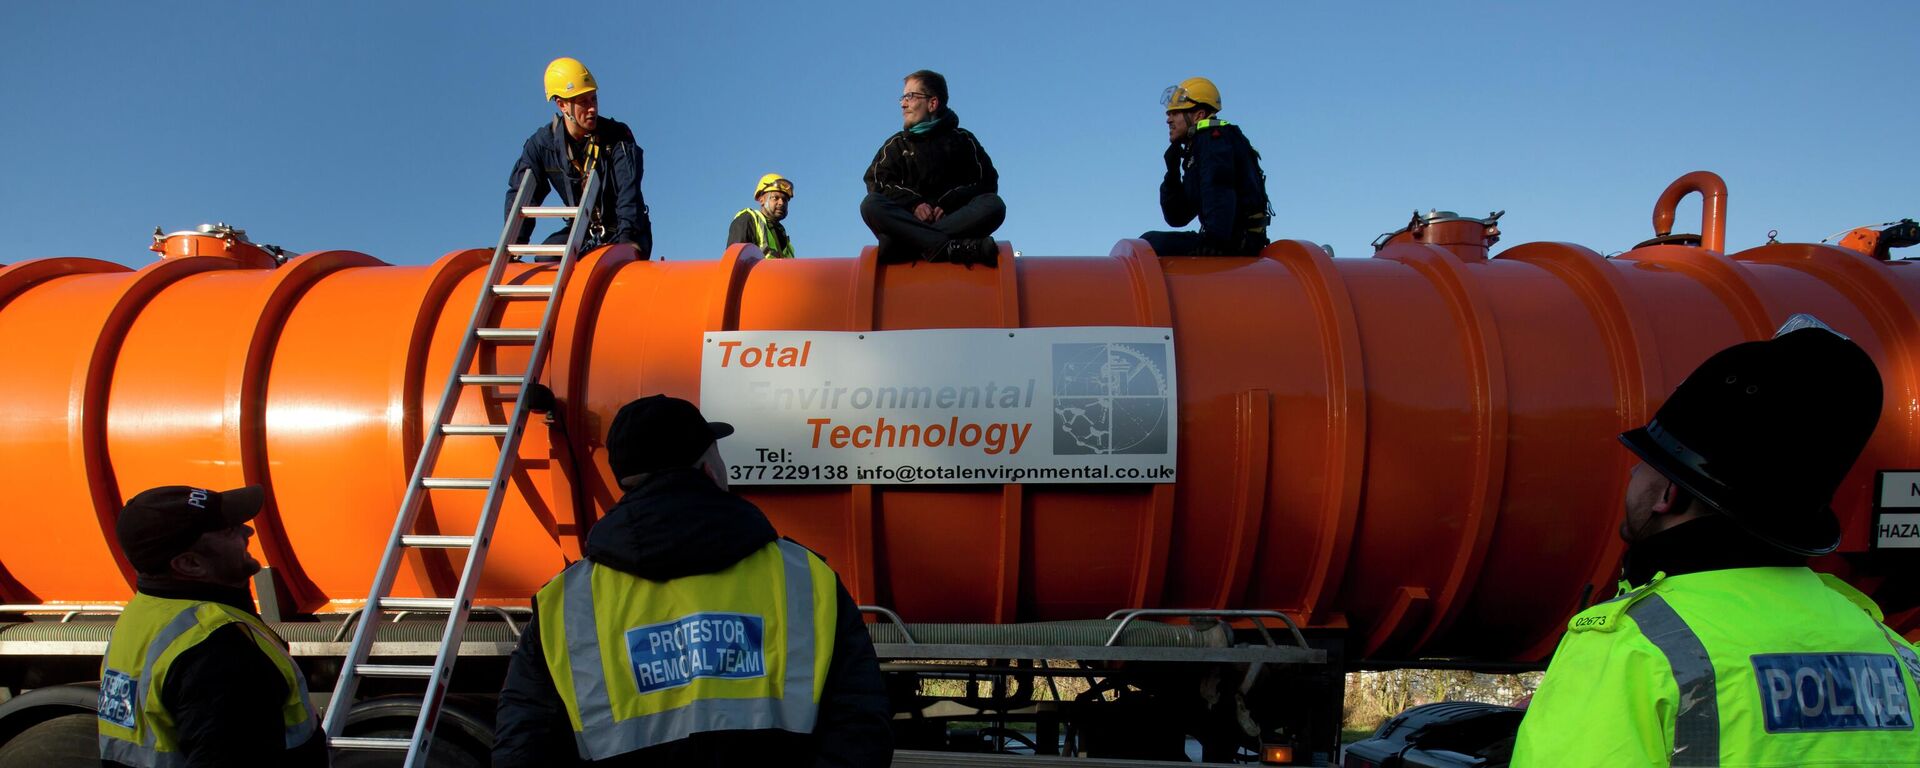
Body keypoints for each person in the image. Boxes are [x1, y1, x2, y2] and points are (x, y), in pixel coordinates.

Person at [1512, 318, 1920, 767]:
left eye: (1645, 463)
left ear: (1669, 493)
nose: (1631, 475)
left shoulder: (1632, 649)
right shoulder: (1892, 654)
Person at [494, 395, 892, 766]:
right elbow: (860, 727)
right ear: (707, 470)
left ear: (626, 482)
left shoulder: (568, 602)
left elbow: (523, 746)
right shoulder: (804, 579)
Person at [97, 485, 326, 767]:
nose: (248, 532)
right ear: (190, 564)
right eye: (228, 530)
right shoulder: (219, 649)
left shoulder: (143, 612)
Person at [506, 57, 653, 260]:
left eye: (594, 99)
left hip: (624, 229)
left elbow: (629, 195)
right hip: (582, 232)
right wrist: (513, 250)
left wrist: (627, 243)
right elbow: (521, 197)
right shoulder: (542, 146)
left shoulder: (618, 136)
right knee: (546, 258)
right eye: (583, 102)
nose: (592, 108)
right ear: (562, 105)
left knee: (610, 267)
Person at [860, 69, 1004, 266]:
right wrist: (915, 204)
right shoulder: (896, 145)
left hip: (955, 220)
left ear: (932, 103)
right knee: (871, 204)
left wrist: (946, 204)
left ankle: (908, 247)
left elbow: (986, 182)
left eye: (910, 96)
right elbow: (876, 182)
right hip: (910, 221)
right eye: (902, 97)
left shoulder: (963, 140)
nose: (903, 104)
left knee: (993, 204)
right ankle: (949, 247)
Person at [1142, 77, 1272, 257]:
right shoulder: (1200, 148)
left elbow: (1218, 188)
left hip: (1235, 242)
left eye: (1176, 113)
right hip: (1229, 239)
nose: (1168, 120)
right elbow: (1177, 216)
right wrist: (1172, 174)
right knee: (1148, 242)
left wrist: (1214, 243)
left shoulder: (1214, 140)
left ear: (1199, 115)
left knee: (1148, 244)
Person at [727, 173, 796, 258]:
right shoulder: (748, 220)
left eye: (785, 200)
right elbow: (734, 261)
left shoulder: (786, 241)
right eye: (775, 198)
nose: (781, 203)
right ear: (761, 200)